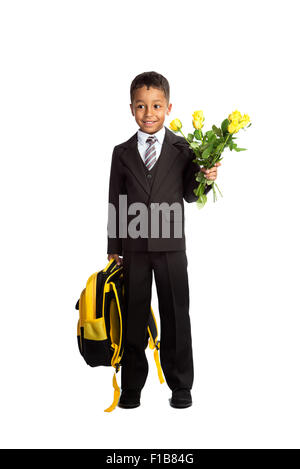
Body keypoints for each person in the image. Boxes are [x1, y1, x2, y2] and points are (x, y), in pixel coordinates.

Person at [107, 71, 220, 409]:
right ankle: (131, 387)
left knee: (175, 315)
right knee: (133, 316)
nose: (149, 113)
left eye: (156, 105)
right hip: (134, 248)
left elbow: (189, 194)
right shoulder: (121, 152)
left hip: (171, 246)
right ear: (131, 109)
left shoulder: (183, 148)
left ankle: (181, 385)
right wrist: (114, 246)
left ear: (168, 107)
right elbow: (116, 200)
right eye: (141, 106)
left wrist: (206, 177)